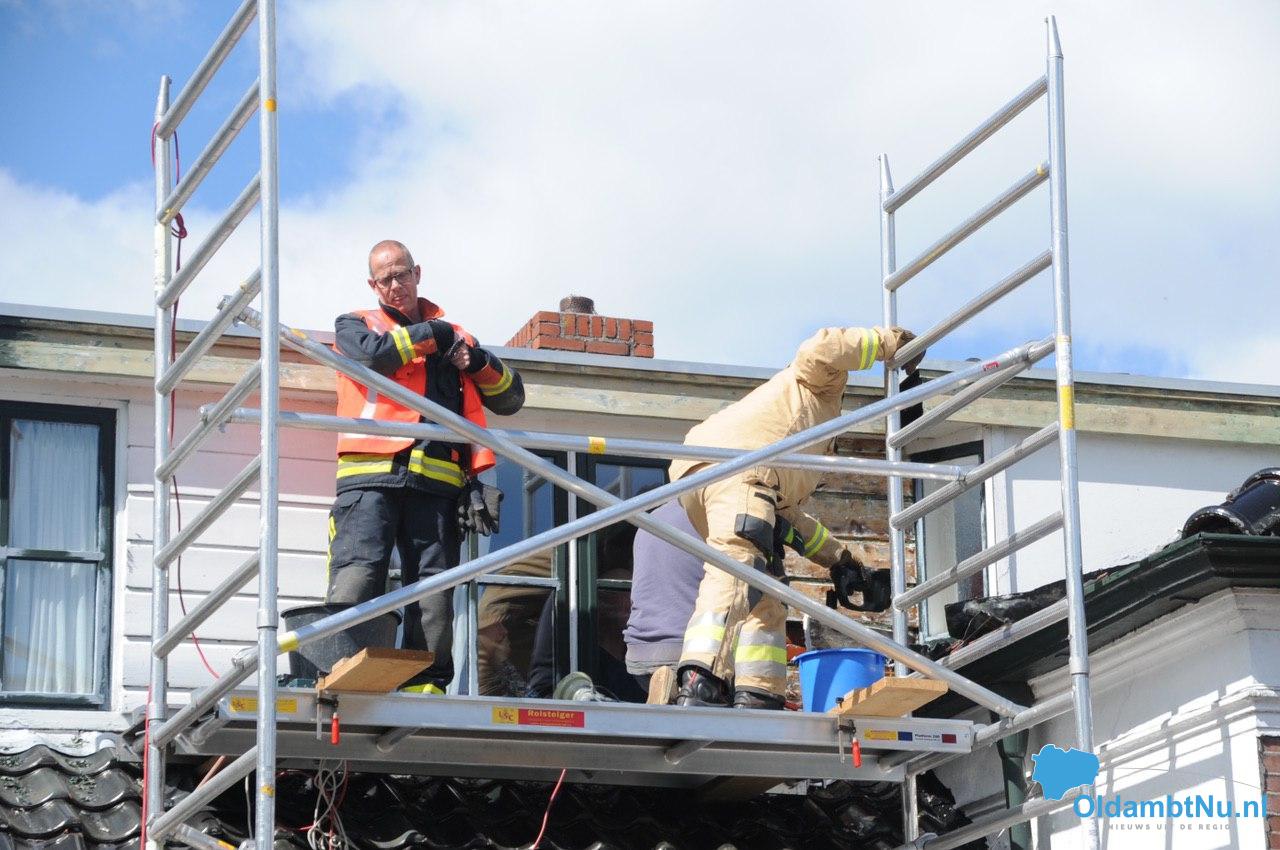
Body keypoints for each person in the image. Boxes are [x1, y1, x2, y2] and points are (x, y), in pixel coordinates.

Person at [672, 325, 922, 709]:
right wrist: (889, 343)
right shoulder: (818, 384)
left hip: (718, 476)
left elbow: (788, 517)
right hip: (738, 469)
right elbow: (822, 346)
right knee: (737, 568)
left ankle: (758, 693)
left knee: (766, 588)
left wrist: (841, 560)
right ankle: (700, 677)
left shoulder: (788, 450)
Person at [325, 239, 525, 694]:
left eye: (402, 274)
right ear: (373, 285)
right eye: (386, 279)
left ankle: (426, 686)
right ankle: (339, 670)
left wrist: (478, 361)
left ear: (417, 273)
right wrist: (432, 335)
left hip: (438, 484)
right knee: (359, 574)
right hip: (370, 477)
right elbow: (374, 354)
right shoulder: (355, 323)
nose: (395, 285)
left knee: (433, 593)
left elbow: (510, 398)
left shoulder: (459, 337)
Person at [625, 502, 883, 702]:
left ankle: (672, 688)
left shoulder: (653, 518)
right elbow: (800, 530)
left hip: (640, 654)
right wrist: (845, 561)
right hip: (696, 656)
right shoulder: (737, 508)